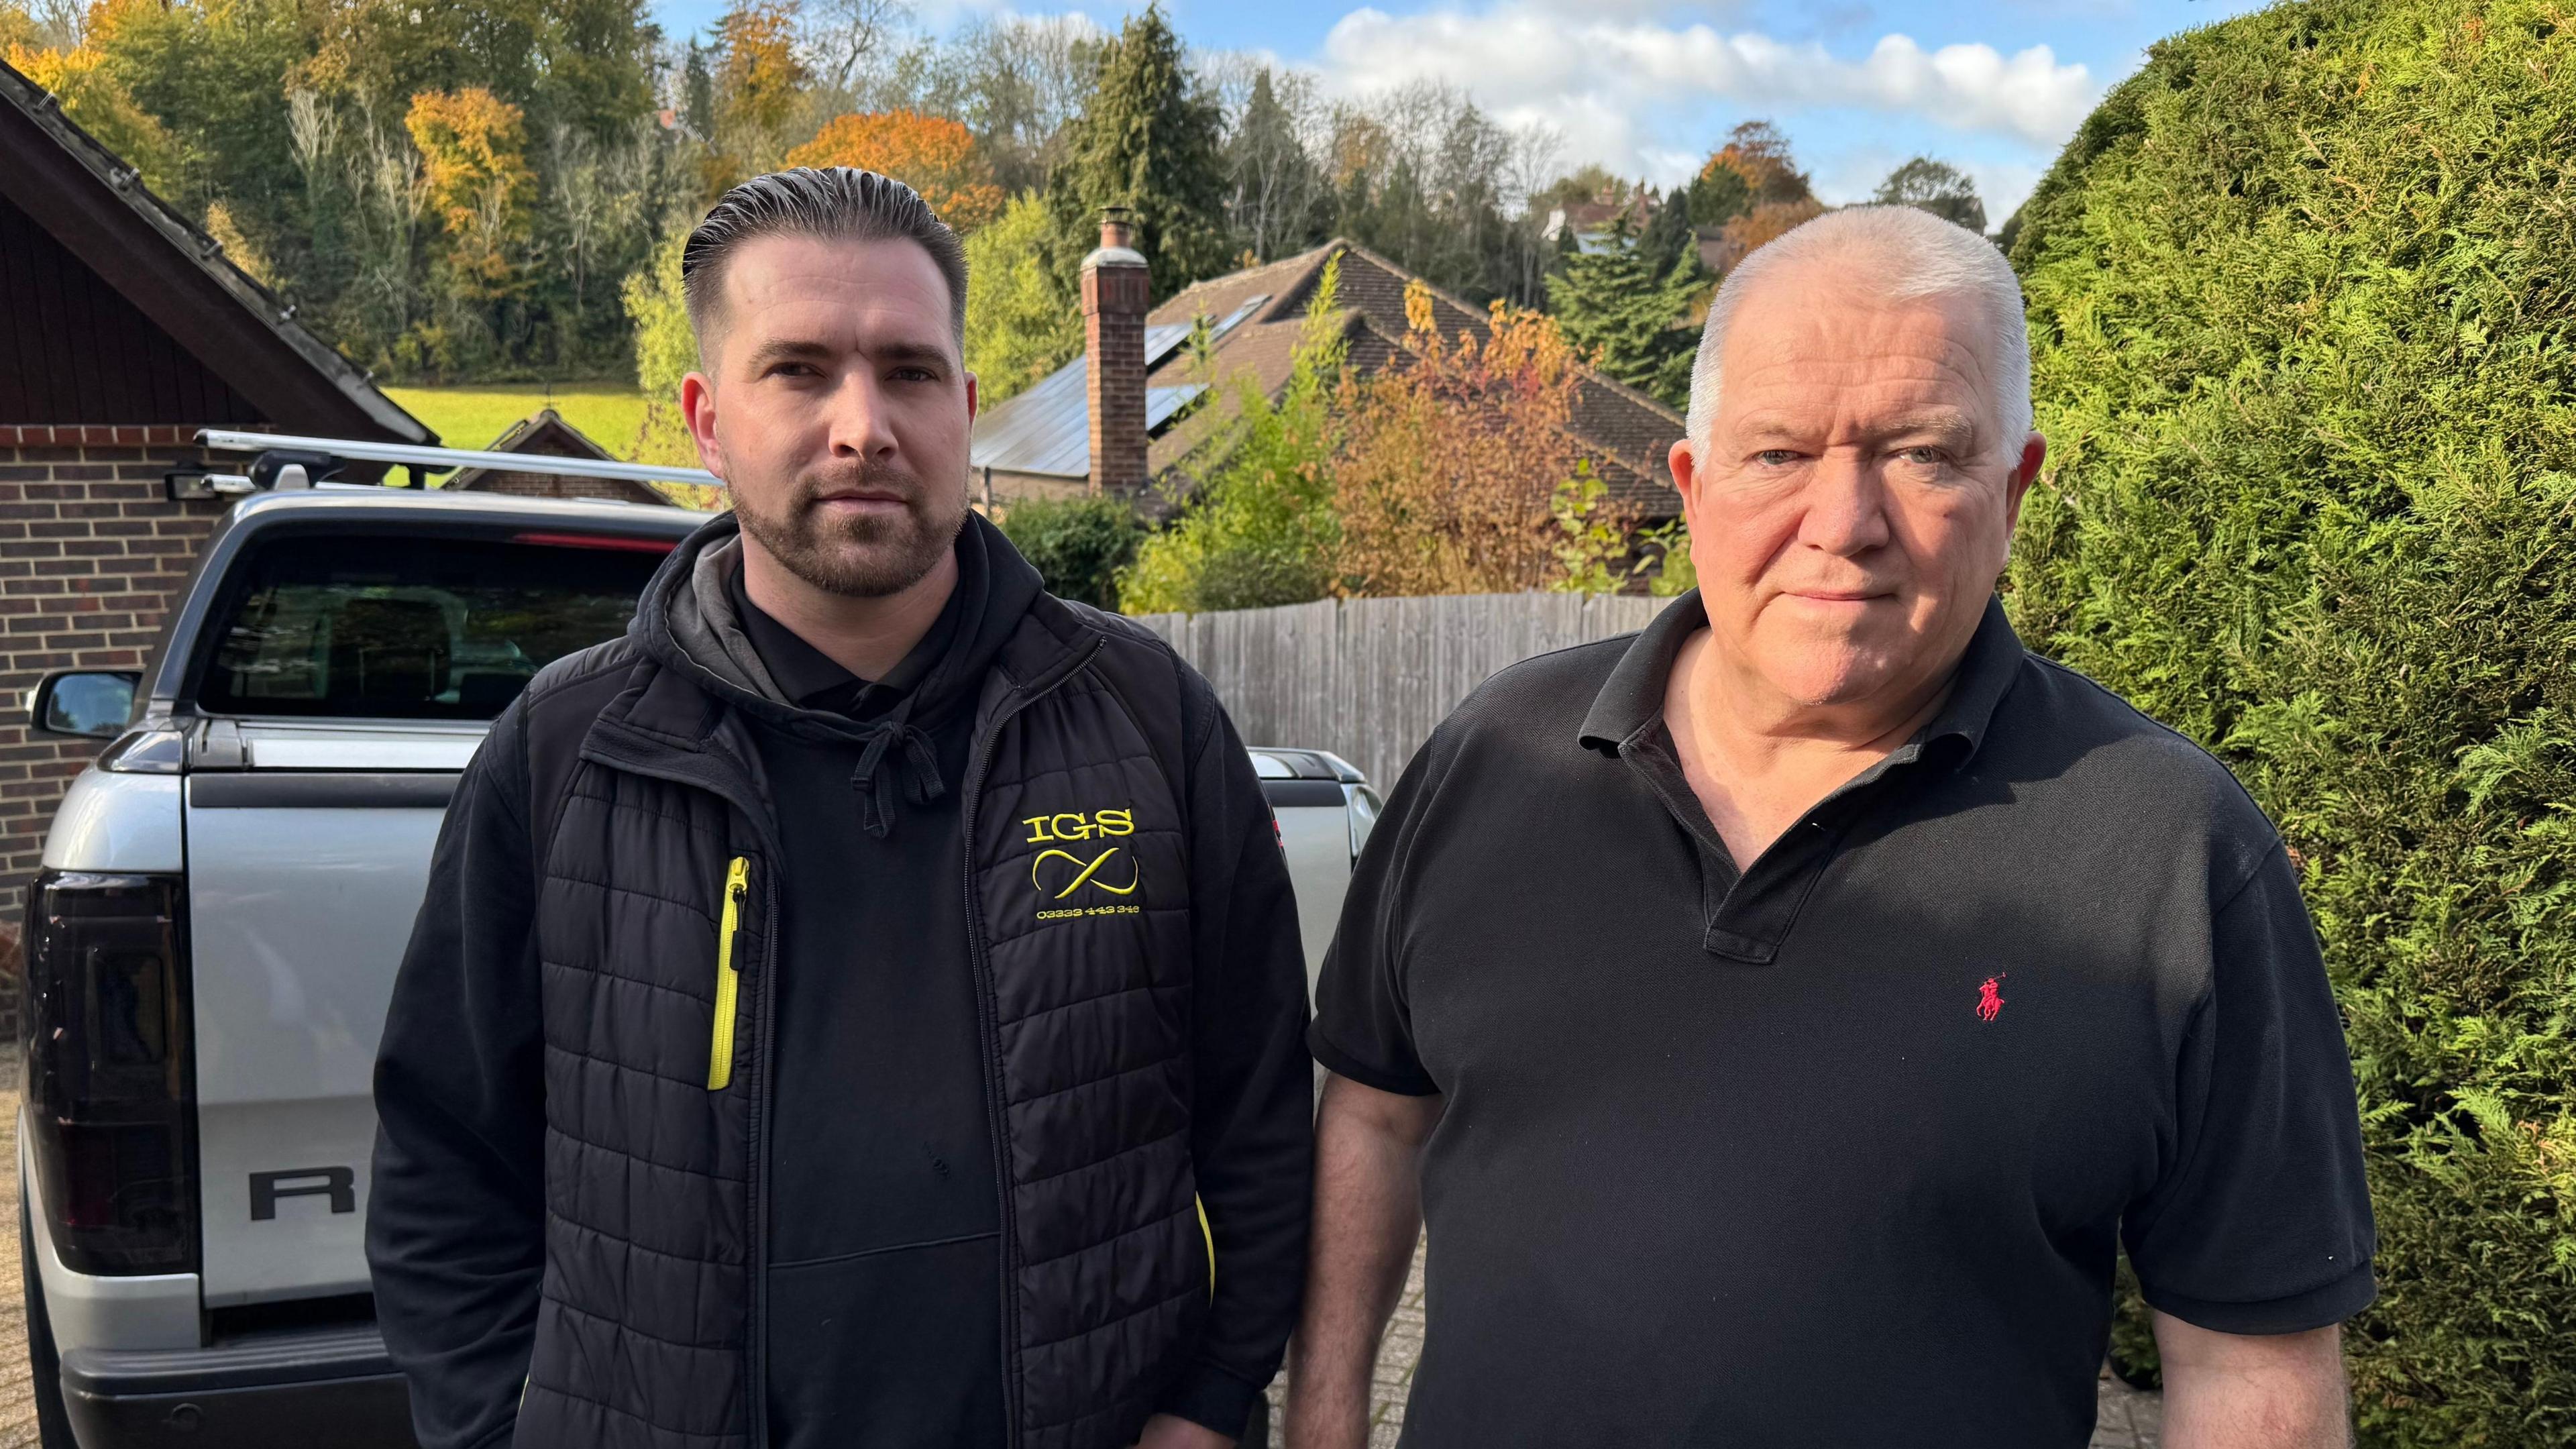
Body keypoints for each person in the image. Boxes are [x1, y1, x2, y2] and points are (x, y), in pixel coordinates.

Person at [1287, 206, 2375, 1448]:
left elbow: (2250, 1365)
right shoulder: (1492, 759)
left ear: (2014, 489)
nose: (1844, 519)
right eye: (1779, 453)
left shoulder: (2171, 851)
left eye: (1921, 453)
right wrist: (1323, 1422)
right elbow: (1375, 1112)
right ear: (1693, 487)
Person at [368, 168, 1312, 1449]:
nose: (864, 425)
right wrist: (494, 1431)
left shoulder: (1147, 720)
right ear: (708, 421)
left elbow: (1260, 1114)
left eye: (910, 372)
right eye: (800, 371)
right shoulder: (565, 755)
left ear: (965, 410)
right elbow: (444, 1163)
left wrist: (1212, 1400)